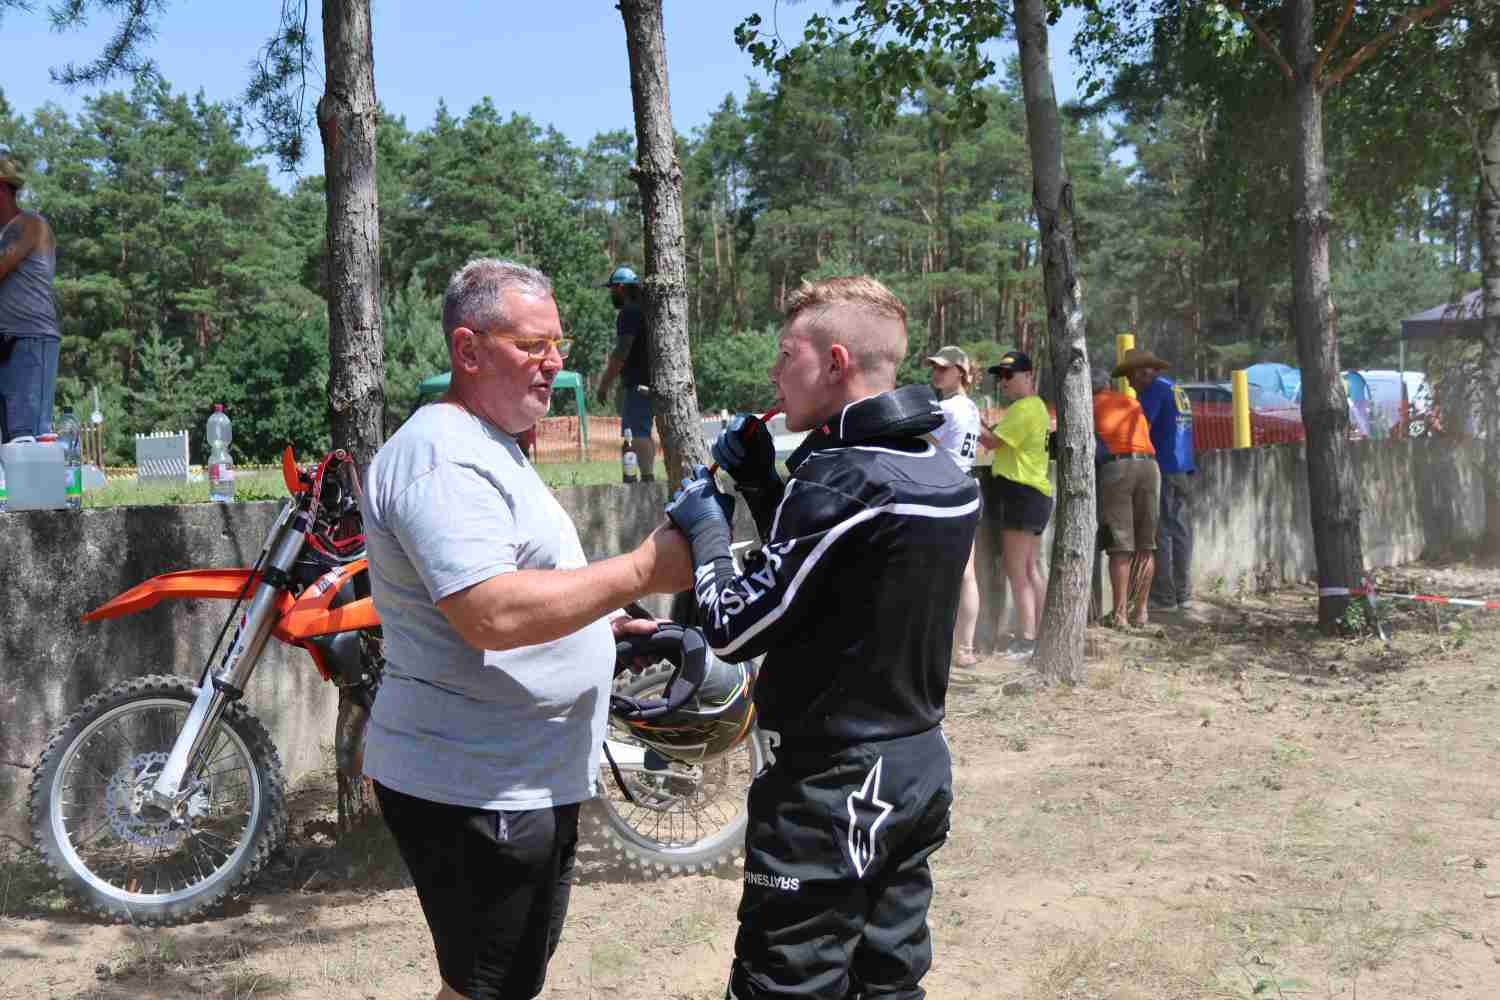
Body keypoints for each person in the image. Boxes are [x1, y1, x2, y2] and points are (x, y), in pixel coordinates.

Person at [360, 258, 694, 1000]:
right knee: (488, 990)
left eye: (558, 344)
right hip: (479, 785)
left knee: (498, 985)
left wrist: (607, 626)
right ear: (468, 350)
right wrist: (641, 570)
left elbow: (529, 582)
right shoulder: (442, 456)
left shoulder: (490, 443)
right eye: (532, 345)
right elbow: (491, 612)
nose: (553, 362)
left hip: (515, 776)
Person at [667, 275, 980, 1000]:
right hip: (915, 764)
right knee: (888, 980)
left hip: (833, 783)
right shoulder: (937, 468)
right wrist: (762, 484)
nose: (774, 372)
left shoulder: (842, 479)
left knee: (785, 982)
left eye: (787, 354)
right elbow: (836, 576)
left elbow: (734, 626)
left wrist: (707, 526)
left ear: (835, 362)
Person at [979, 350, 1052, 661]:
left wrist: (967, 415)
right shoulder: (1035, 407)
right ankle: (1039, 634)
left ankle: (1027, 640)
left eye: (1010, 375)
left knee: (1017, 570)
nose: (1003, 382)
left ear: (1028, 376)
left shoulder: (1024, 408)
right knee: (1030, 569)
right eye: (1000, 376)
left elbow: (991, 442)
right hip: (1033, 493)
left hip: (1021, 494)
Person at [1114, 347, 1196, 612]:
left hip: (1165, 467)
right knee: (1181, 532)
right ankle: (1184, 594)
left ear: (1143, 373)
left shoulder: (1153, 391)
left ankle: (1164, 597)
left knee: (1159, 532)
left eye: (1130, 377)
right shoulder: (1174, 388)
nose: (1129, 384)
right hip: (1184, 466)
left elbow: (1141, 428)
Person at [925, 345, 983, 667]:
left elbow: (922, 441)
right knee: (966, 574)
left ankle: (939, 645)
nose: (936, 373)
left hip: (945, 490)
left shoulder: (946, 409)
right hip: (967, 487)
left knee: (940, 571)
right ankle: (965, 649)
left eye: (942, 368)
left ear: (959, 372)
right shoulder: (971, 407)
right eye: (934, 368)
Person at [1090, 367, 1160, 627]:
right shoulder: (1131, 402)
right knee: (1146, 545)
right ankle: (1141, 612)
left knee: (1120, 546)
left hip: (1118, 468)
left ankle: (1119, 615)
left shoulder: (1089, 405)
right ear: (1108, 385)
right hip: (1150, 467)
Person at [0, 157, 61, 443]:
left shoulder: (29, 225)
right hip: (6, 341)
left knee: (27, 438)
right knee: (8, 443)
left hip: (30, 340)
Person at [595, 264, 656, 481]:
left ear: (620, 288)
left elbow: (622, 351)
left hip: (639, 384)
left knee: (637, 434)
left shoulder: (629, 312)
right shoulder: (645, 310)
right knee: (633, 435)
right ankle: (631, 480)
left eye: (612, 289)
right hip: (646, 382)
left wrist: (604, 384)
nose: (611, 294)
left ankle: (647, 483)